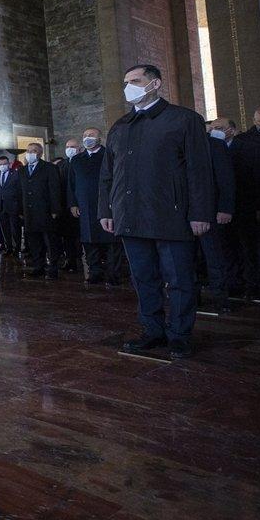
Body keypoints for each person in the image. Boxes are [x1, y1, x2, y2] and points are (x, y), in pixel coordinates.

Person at [99, 64, 212, 360]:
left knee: (179, 279)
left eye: (135, 80)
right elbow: (108, 175)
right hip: (130, 216)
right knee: (143, 279)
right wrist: (106, 210)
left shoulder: (183, 120)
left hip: (171, 216)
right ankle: (152, 330)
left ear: (155, 84)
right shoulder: (120, 126)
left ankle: (180, 335)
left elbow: (199, 171)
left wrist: (199, 213)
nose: (128, 87)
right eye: (126, 82)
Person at [230, 105, 260, 299]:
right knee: (255, 246)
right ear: (254, 121)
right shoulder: (243, 141)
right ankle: (259, 281)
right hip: (252, 203)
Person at [67, 128, 122, 285]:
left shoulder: (108, 155)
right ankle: (95, 272)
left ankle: (113, 275)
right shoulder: (77, 160)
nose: (87, 138)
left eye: (91, 135)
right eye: (84, 135)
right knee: (89, 242)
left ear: (100, 138)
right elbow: (71, 185)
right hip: (85, 206)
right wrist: (73, 204)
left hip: (107, 205)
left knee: (111, 243)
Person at [200, 120, 236, 311]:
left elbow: (225, 179)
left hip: (212, 211)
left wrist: (225, 208)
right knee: (190, 259)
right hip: (182, 214)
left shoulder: (215, 145)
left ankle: (221, 299)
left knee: (215, 257)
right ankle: (194, 298)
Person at [20, 143, 64, 279]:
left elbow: (55, 190)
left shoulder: (50, 168)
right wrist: (20, 210)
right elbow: (19, 191)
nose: (30, 153)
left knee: (50, 241)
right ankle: (38, 266)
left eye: (33, 151)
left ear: (40, 153)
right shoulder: (22, 170)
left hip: (45, 211)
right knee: (34, 241)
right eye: (28, 151)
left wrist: (55, 209)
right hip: (29, 212)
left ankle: (53, 268)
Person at [57, 139, 83, 272]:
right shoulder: (62, 164)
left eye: (73, 146)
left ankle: (82, 260)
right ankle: (70, 260)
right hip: (64, 207)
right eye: (67, 146)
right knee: (68, 236)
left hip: (80, 206)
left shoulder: (83, 162)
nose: (69, 149)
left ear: (80, 148)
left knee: (80, 236)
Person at [0, 153, 22, 257]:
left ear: (9, 164)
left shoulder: (16, 174)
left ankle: (16, 248)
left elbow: (19, 190)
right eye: (0, 164)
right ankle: (8, 247)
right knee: (4, 228)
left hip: (13, 206)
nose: (2, 166)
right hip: (0, 206)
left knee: (15, 228)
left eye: (4, 163)